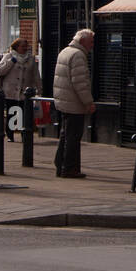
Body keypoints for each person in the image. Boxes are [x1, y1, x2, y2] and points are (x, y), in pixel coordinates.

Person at [52, 28, 95, 178]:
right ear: (82, 41)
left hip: (64, 100)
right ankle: (69, 168)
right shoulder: (78, 55)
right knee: (73, 137)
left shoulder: (65, 51)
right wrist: (88, 102)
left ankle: (60, 164)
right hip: (74, 103)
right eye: (91, 42)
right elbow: (80, 82)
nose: (92, 45)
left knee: (66, 134)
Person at [0, 37, 40, 142]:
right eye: (22, 46)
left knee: (24, 114)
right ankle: (10, 135)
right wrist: (11, 61)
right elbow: (0, 71)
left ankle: (25, 135)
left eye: (26, 46)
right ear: (16, 47)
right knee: (12, 113)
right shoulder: (9, 56)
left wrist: (39, 89)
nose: (25, 48)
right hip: (10, 91)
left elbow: (35, 75)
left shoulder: (31, 59)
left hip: (25, 92)